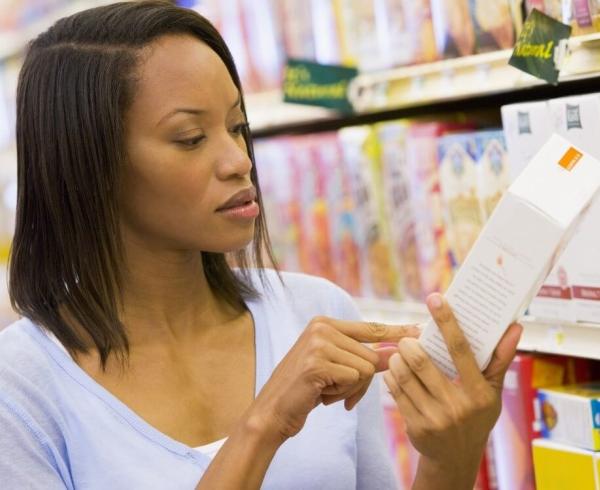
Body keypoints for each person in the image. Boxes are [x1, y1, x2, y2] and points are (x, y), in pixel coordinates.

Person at [0, 2, 522, 489]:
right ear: (87, 165)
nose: (238, 161)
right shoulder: (22, 385)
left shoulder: (318, 312)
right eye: (190, 138)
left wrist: (452, 451)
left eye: (237, 127)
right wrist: (266, 422)